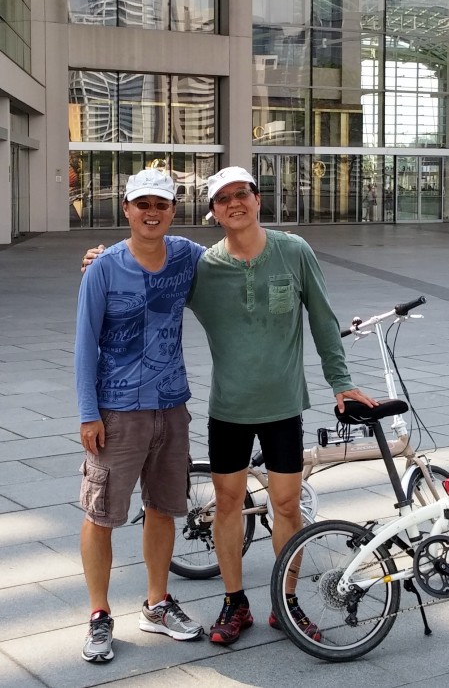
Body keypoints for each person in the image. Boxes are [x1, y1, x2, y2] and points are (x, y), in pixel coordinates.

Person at [81, 165, 377, 647]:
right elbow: (150, 261)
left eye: (242, 194)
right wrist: (104, 258)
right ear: (213, 212)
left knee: (286, 504)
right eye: (222, 199)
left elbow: (323, 320)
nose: (234, 203)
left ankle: (287, 601)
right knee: (227, 504)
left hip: (284, 406)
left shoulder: (294, 251)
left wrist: (340, 383)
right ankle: (234, 602)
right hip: (229, 410)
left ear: (258, 199)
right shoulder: (202, 266)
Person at [75, 168, 205, 662]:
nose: (152, 212)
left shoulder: (187, 256)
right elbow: (85, 343)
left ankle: (157, 602)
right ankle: (99, 614)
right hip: (117, 410)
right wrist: (89, 413)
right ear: (126, 208)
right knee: (101, 512)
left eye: (162, 204)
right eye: (142, 204)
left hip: (171, 407)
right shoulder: (105, 267)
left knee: (164, 508)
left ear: (173, 210)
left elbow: (236, 256)